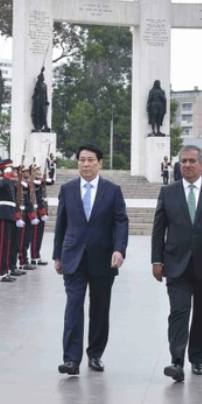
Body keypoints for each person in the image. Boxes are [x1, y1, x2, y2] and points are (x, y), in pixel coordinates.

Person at [151, 145, 202, 382]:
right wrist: (156, 260)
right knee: (178, 311)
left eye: (191, 161)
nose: (186, 165)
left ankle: (197, 359)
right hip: (176, 264)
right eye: (183, 161)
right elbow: (159, 229)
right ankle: (176, 361)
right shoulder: (168, 192)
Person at [53, 143, 129, 376]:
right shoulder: (67, 189)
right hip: (73, 257)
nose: (85, 164)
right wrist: (57, 255)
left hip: (103, 258)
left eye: (90, 160)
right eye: (82, 160)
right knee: (73, 306)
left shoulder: (112, 190)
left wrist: (119, 249)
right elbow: (61, 223)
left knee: (99, 308)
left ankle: (95, 354)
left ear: (100, 163)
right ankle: (71, 359)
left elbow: (121, 221)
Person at [0, 159, 22, 284]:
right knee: (2, 244)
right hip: (3, 213)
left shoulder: (10, 181)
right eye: (13, 169)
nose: (16, 171)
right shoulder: (3, 180)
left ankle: (6, 269)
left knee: (8, 244)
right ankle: (0, 272)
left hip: (10, 213)